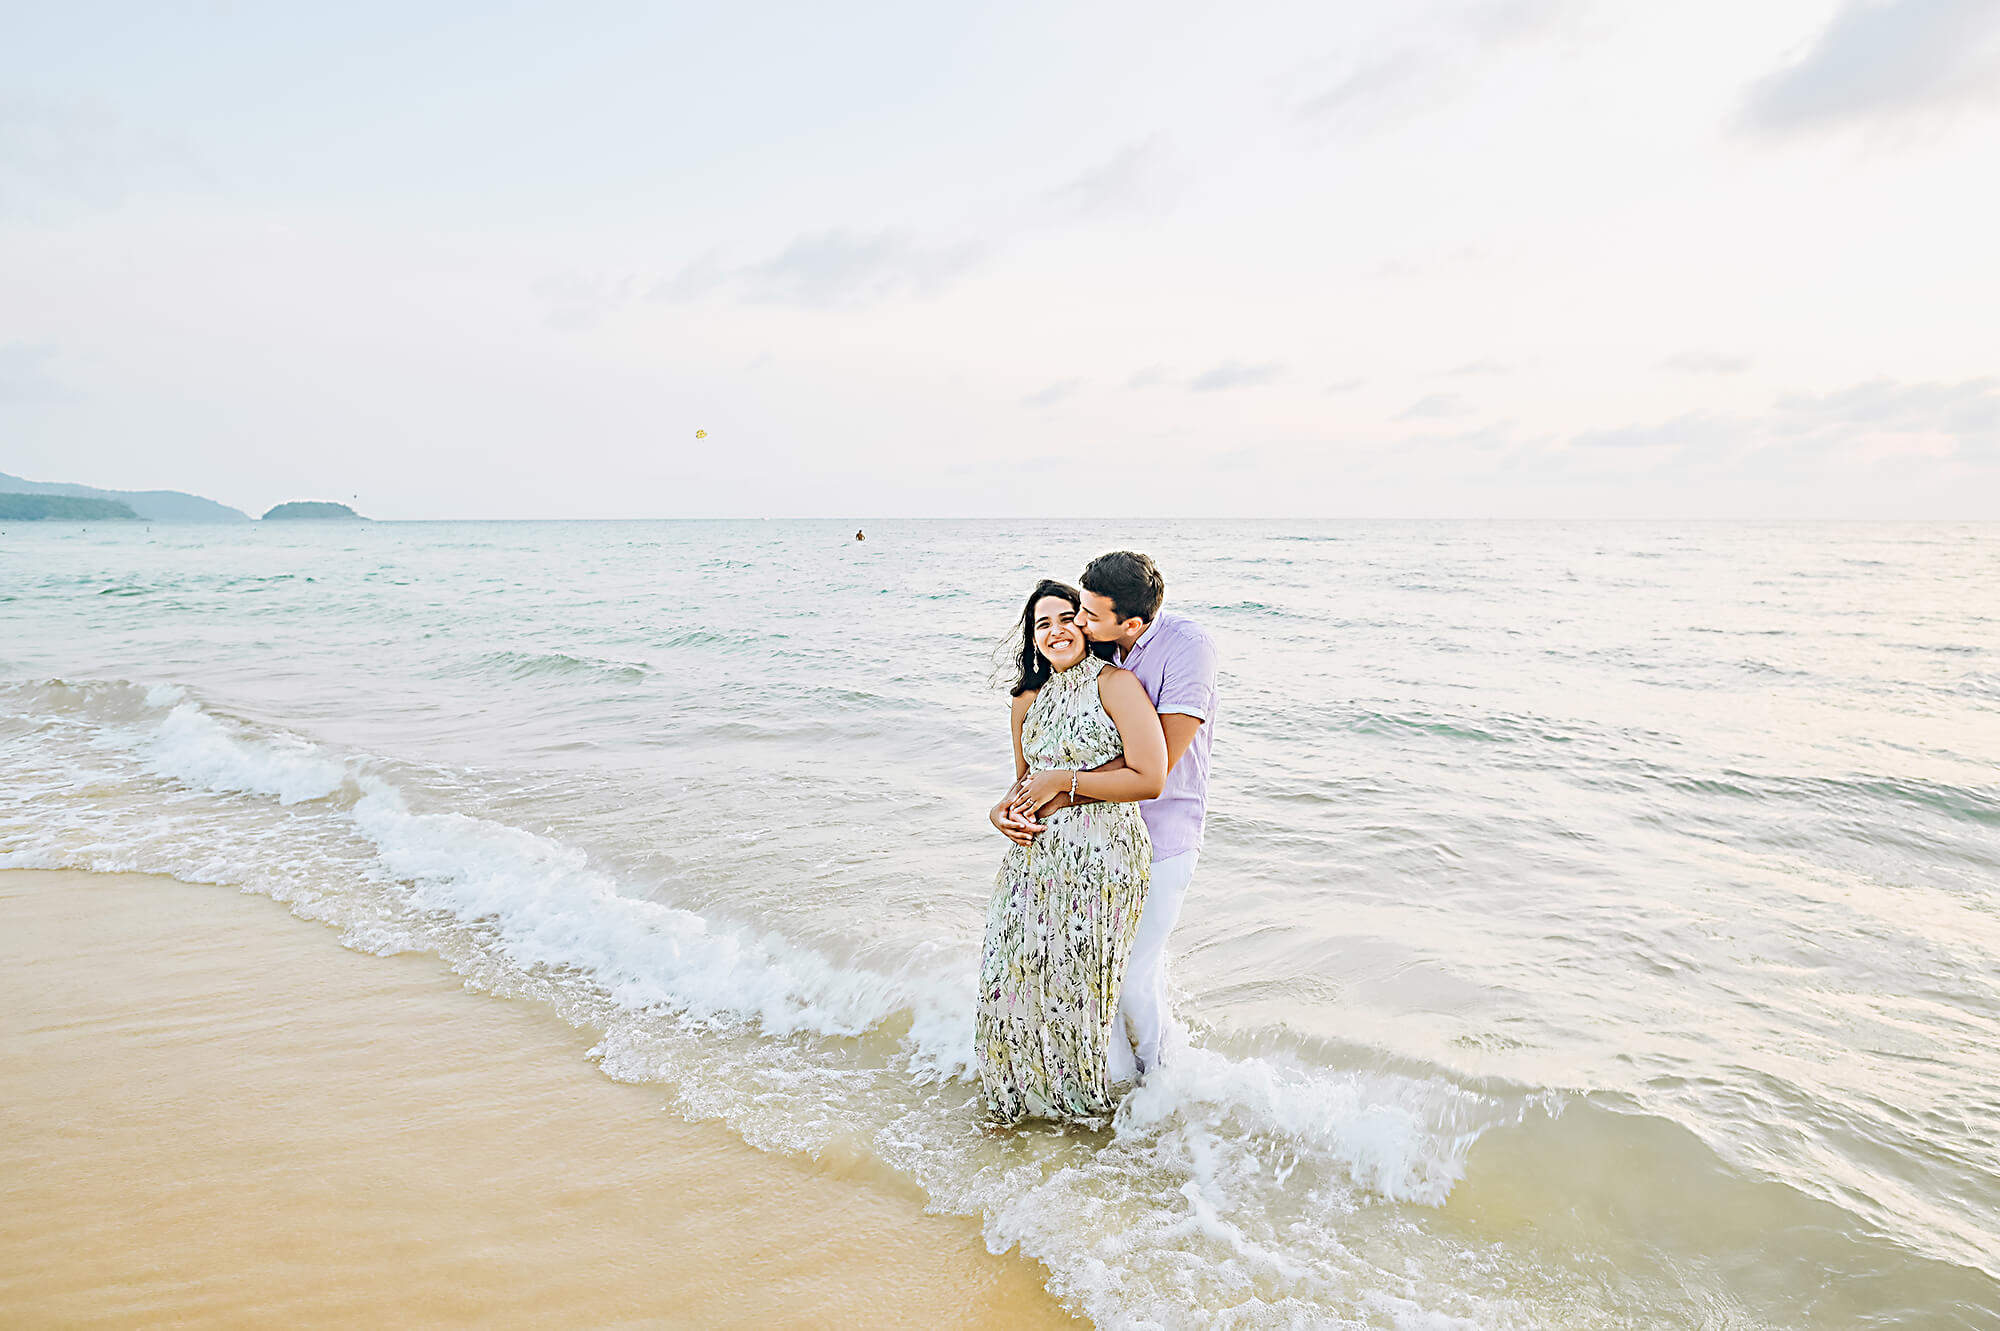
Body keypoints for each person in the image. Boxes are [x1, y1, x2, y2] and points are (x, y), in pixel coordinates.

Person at [996, 551, 1216, 1081]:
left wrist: (1061, 789)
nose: (1078, 624)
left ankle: (1161, 1091)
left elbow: (1155, 762)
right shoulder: (1087, 656)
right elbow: (1048, 754)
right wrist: (1016, 800)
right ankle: (1110, 1084)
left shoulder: (1186, 648)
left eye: (1087, 617)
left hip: (1161, 836)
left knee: (1134, 974)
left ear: (1132, 623)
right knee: (1095, 973)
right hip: (1083, 847)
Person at [976, 579, 1168, 1124]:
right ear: (1032, 637)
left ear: (1084, 624)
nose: (1057, 631)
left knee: (1076, 990)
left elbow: (1148, 779)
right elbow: (1023, 784)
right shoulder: (1025, 701)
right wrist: (999, 811)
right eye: (1043, 624)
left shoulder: (1116, 684)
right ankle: (1020, 1108)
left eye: (1067, 618)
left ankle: (1086, 1119)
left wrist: (1068, 779)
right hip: (1032, 860)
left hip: (1103, 857)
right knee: (1007, 979)